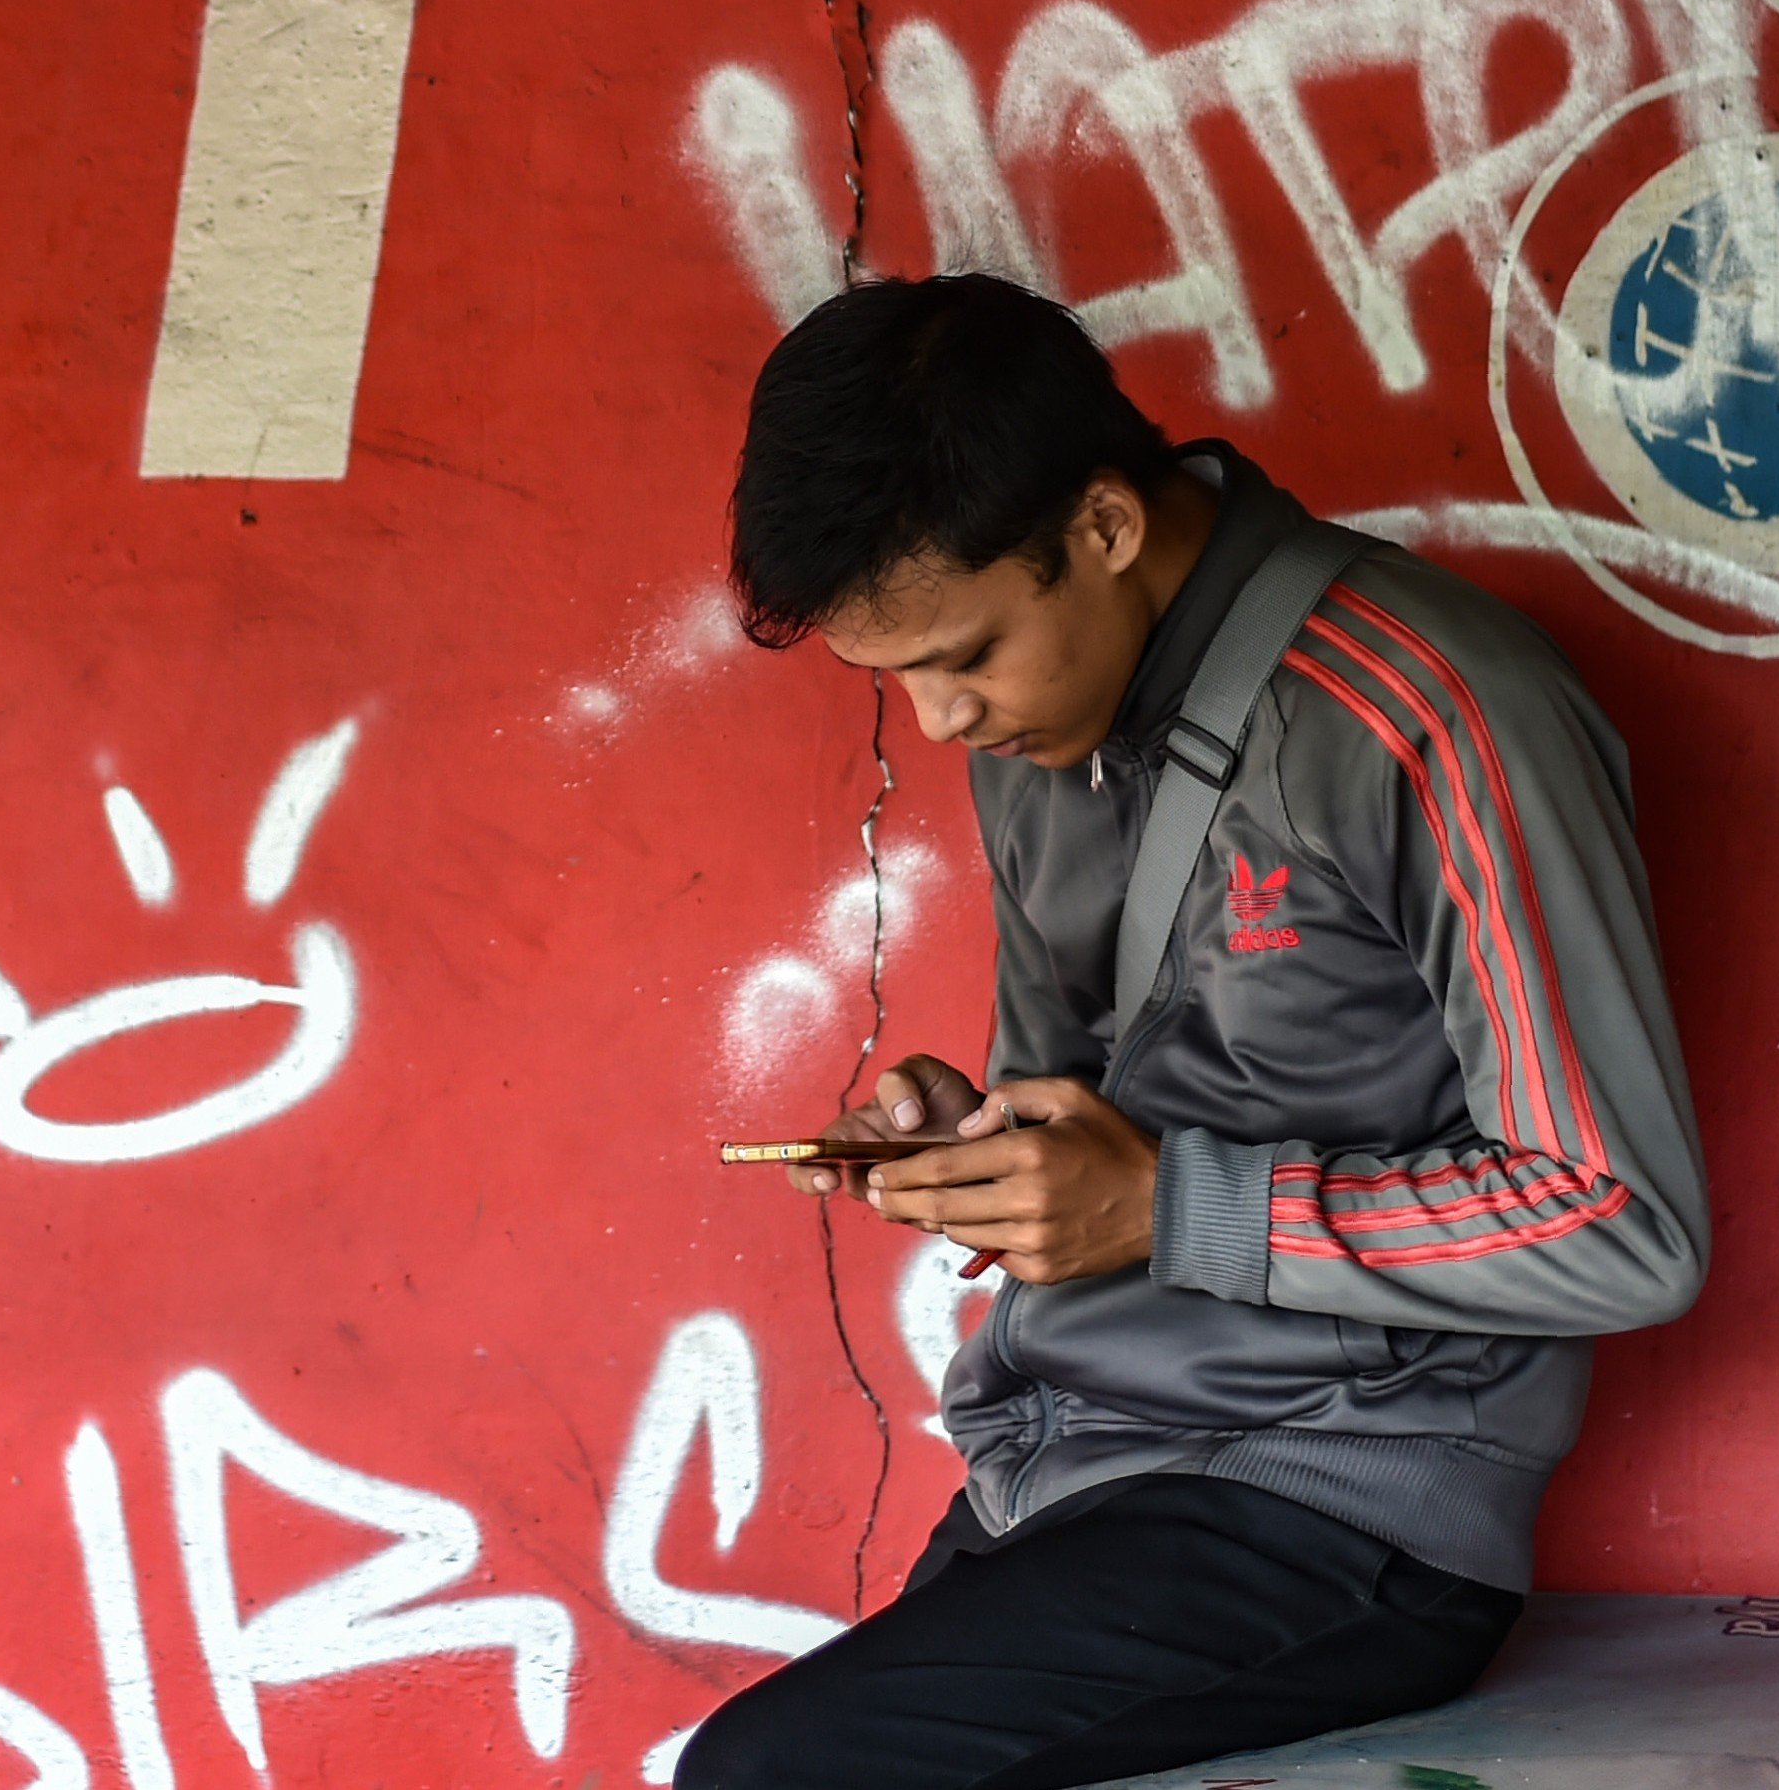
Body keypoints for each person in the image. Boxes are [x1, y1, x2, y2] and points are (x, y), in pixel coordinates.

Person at [678, 275, 1706, 1790]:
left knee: (765, 1778)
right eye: (895, 680)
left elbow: (1624, 1220)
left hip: (1341, 1499)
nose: (942, 721)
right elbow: (1081, 1111)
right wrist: (979, 1146)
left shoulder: (1435, 709)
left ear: (1102, 526)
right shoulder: (1043, 730)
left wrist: (1164, 1206)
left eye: (963, 655)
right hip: (1066, 1464)